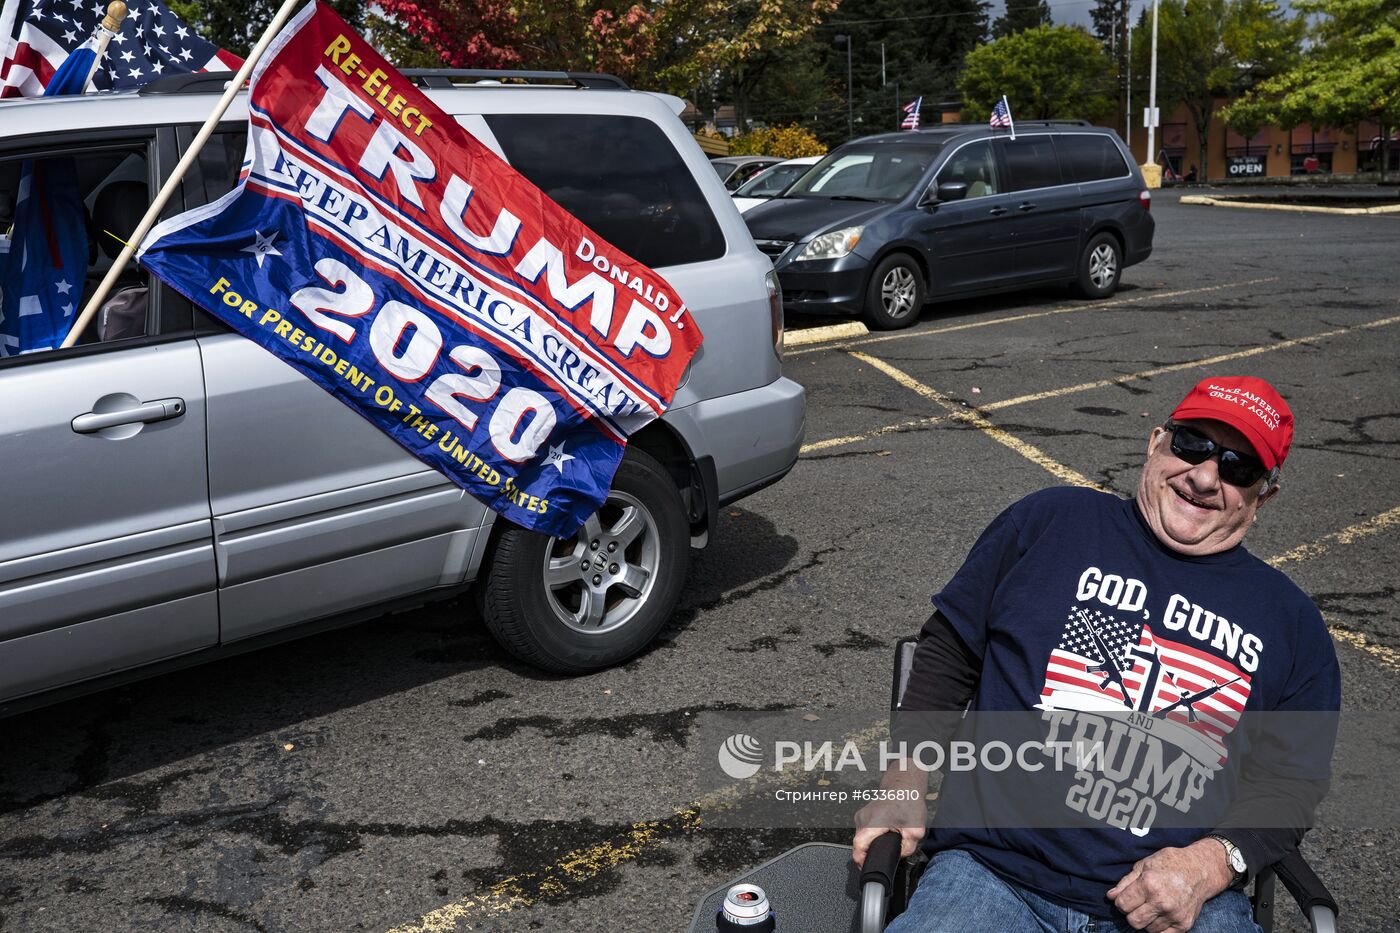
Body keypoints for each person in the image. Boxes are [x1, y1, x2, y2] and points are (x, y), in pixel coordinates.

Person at [853, 375, 1340, 933]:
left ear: (1264, 494)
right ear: (1156, 441)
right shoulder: (1049, 523)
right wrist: (901, 786)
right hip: (993, 875)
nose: (1206, 476)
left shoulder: (1293, 623)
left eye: (1239, 467)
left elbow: (1292, 782)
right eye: (1192, 445)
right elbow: (951, 651)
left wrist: (1210, 864)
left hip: (1182, 905)